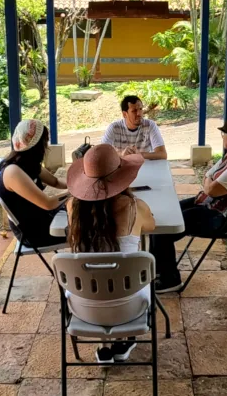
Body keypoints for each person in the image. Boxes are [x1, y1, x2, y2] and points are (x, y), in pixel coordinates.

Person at [66, 144, 156, 364]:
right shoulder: (136, 207)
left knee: (97, 275)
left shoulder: (72, 208)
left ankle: (105, 344)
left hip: (83, 308)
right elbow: (151, 226)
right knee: (138, 272)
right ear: (123, 178)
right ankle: (123, 339)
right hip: (130, 308)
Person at [150, 114, 227, 293]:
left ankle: (170, 279)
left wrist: (209, 183)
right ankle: (157, 269)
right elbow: (209, 176)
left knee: (165, 228)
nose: (222, 136)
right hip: (207, 206)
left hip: (220, 218)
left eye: (224, 133)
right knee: (162, 216)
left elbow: (211, 189)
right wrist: (209, 182)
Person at [0, 119, 68, 246]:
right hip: (33, 232)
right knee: (89, 229)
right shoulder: (13, 172)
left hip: (41, 218)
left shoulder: (28, 163)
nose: (47, 145)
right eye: (46, 141)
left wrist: (78, 182)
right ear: (38, 144)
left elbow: (56, 182)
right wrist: (75, 191)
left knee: (83, 213)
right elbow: (48, 204)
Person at [101, 95, 167, 160]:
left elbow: (162, 154)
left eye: (140, 109)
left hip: (145, 167)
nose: (139, 113)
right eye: (134, 111)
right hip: (122, 168)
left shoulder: (150, 125)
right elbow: (102, 153)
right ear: (124, 114)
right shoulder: (114, 128)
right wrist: (121, 154)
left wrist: (139, 155)